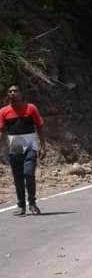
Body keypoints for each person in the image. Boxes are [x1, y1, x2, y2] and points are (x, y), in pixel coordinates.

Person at [0, 84, 46, 216]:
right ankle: (21, 206)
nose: (13, 93)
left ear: (21, 94)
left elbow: (40, 127)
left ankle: (32, 203)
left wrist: (43, 146)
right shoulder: (4, 112)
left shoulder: (31, 108)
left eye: (15, 91)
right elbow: (1, 131)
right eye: (10, 91)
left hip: (30, 146)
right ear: (7, 95)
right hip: (15, 148)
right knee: (18, 178)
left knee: (29, 174)